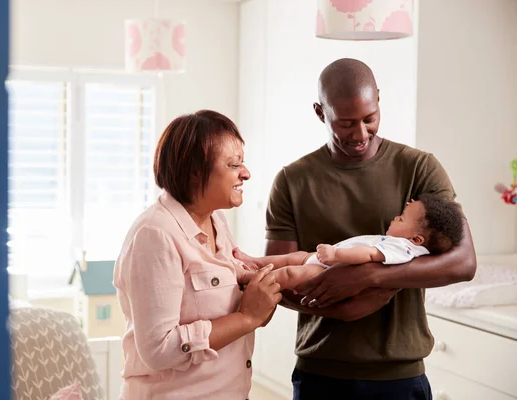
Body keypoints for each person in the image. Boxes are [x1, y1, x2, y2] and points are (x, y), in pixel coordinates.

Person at [236, 58, 477, 400]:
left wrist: (371, 278)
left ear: (378, 98)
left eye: (370, 118)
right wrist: (339, 307)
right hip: (320, 371)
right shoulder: (292, 181)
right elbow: (278, 285)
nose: (361, 134)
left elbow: (464, 262)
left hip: (399, 374)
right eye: (346, 123)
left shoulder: (420, 168)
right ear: (321, 113)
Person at [113, 110, 282, 399]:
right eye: (234, 164)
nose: (246, 173)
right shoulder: (155, 235)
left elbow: (221, 297)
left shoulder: (215, 221)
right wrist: (246, 318)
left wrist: (258, 292)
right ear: (195, 170)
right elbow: (158, 350)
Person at [236, 194, 464, 293]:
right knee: (289, 259)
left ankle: (249, 277)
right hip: (325, 262)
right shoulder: (401, 243)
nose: (395, 218)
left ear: (416, 239)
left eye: (401, 218)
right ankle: (254, 261)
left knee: (289, 274)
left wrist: (336, 255)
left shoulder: (403, 249)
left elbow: (368, 255)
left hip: (327, 268)